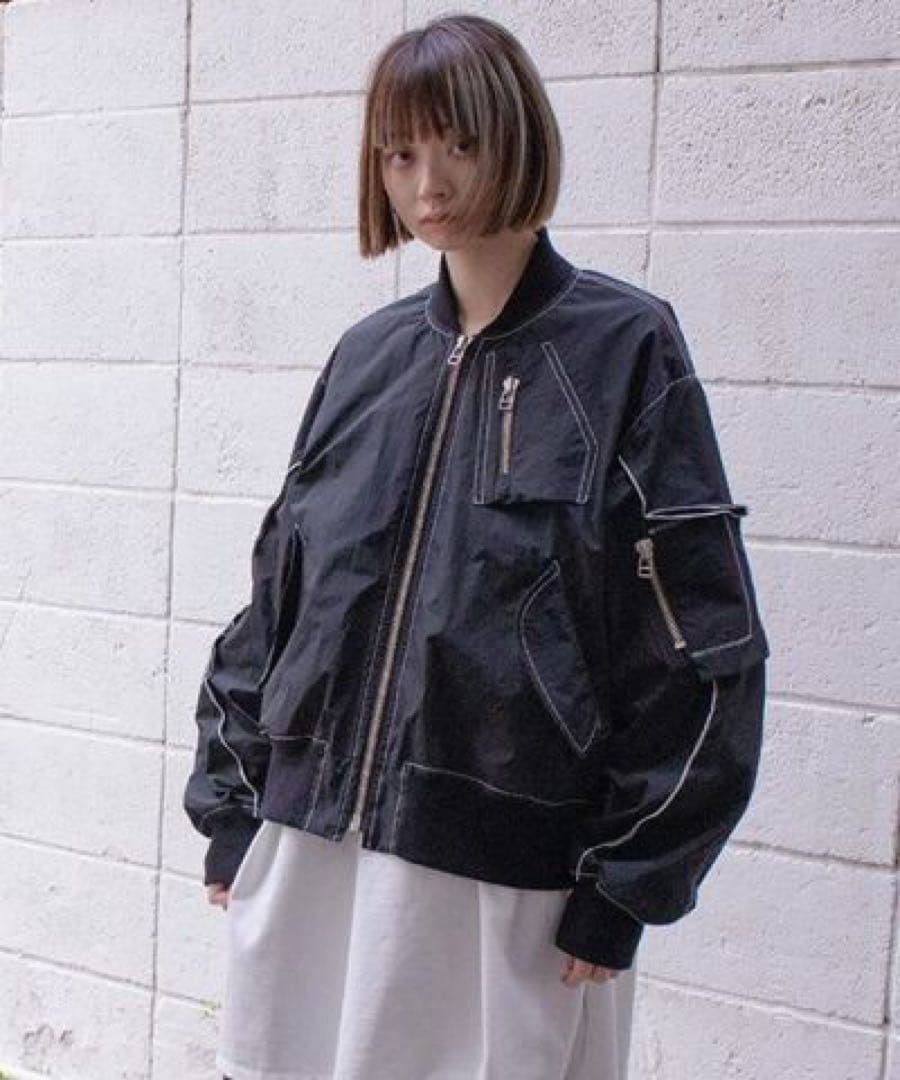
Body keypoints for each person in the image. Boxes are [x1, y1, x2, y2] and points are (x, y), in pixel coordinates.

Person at [183, 13, 769, 1080]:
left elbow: (700, 636)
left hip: (507, 874)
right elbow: (280, 597)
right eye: (400, 154)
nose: (429, 183)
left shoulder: (624, 347)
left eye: (458, 143)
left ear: (517, 137)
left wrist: (630, 881)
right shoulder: (367, 358)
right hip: (312, 850)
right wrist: (232, 804)